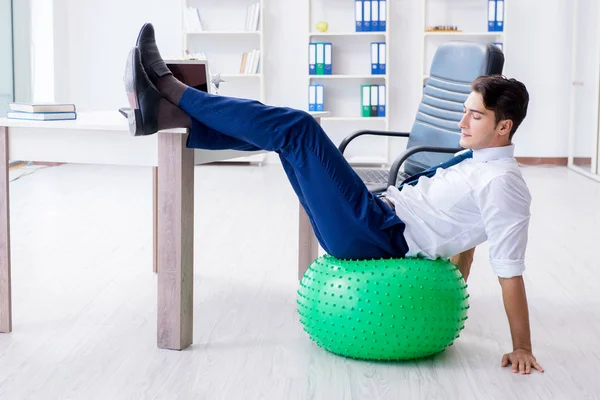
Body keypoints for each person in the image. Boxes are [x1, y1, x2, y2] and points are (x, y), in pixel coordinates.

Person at [124, 23, 543, 374]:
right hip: (378, 214)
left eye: (476, 115)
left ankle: (168, 88)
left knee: (298, 128)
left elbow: (509, 270)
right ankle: (166, 115)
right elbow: (468, 232)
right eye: (465, 110)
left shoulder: (503, 185)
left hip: (378, 237)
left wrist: (521, 347)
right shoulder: (479, 160)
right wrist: (453, 283)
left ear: (504, 126)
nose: (462, 121)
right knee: (287, 138)